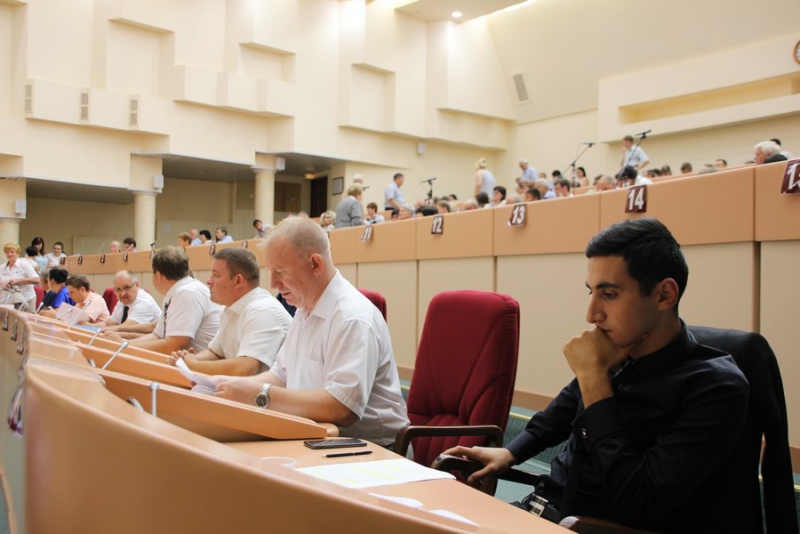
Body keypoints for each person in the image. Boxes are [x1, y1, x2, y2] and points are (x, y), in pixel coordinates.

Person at [444, 218, 749, 532]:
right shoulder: (618, 351)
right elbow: (556, 417)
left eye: (610, 294)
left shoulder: (717, 388)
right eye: (591, 292)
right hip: (537, 514)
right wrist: (511, 451)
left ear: (664, 295)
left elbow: (638, 503)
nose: (592, 314)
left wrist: (595, 380)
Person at [214, 218, 408, 446]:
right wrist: (227, 385)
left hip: (374, 451)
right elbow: (281, 376)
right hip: (318, 438)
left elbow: (341, 408)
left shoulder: (352, 317)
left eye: (280, 271)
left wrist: (259, 394)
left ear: (316, 264)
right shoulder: (304, 308)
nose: (273, 283)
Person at [166, 248, 292, 376]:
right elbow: (216, 353)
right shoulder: (230, 309)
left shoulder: (262, 311)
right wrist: (187, 359)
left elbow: (245, 368)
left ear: (238, 281)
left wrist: (194, 365)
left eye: (216, 275)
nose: (209, 281)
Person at [107, 247, 221, 354]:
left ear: (158, 276)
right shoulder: (177, 291)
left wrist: (125, 345)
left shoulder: (187, 292)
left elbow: (174, 345)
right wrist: (124, 343)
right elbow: (157, 336)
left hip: (201, 364)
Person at [40, 275, 110, 324]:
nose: (69, 296)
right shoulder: (79, 302)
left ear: (82, 289)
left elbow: (81, 321)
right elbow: (72, 320)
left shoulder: (97, 300)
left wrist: (56, 315)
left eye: (72, 292)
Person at [0, 243, 40, 312]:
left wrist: (18, 280)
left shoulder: (24, 264)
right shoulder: (2, 267)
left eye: (12, 252)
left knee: (27, 318)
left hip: (27, 298)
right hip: (9, 300)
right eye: (7, 252)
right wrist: (2, 285)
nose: (9, 254)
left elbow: (37, 280)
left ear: (17, 253)